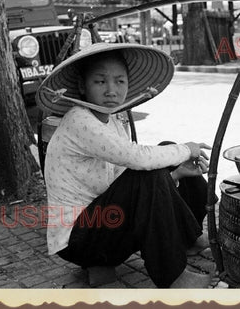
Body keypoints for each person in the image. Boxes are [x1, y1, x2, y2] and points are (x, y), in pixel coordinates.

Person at [36, 43, 215, 288]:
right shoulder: (79, 119)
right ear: (82, 86)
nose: (111, 90)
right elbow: (138, 161)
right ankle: (174, 277)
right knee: (154, 166)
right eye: (100, 82)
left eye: (120, 82)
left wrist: (176, 173)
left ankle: (190, 239)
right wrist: (185, 149)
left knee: (165, 151)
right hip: (78, 239)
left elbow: (126, 182)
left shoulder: (112, 123)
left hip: (105, 227)